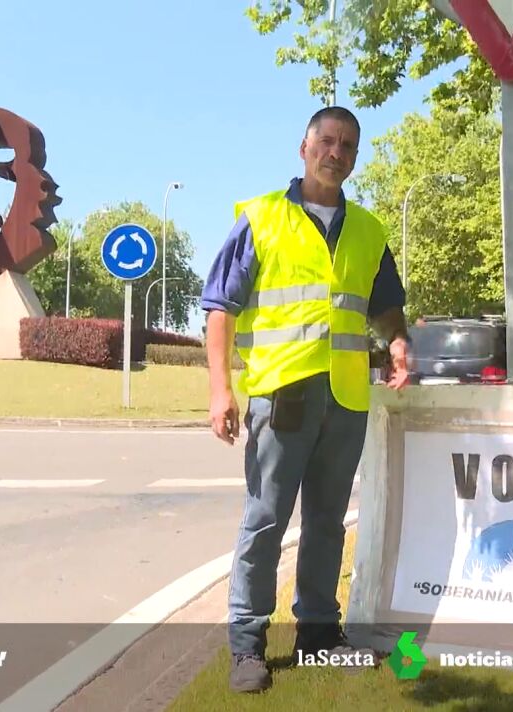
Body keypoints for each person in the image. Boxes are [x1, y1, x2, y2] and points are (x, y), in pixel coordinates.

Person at [200, 106, 411, 694]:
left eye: (348, 145)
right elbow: (219, 307)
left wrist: (397, 342)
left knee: (327, 521)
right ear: (304, 147)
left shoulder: (369, 230)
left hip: (345, 396)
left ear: (355, 157)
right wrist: (220, 389)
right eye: (327, 141)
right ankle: (247, 644)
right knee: (266, 519)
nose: (336, 153)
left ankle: (318, 633)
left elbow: (384, 306)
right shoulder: (261, 217)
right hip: (282, 393)